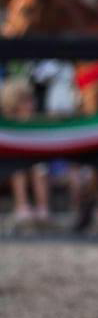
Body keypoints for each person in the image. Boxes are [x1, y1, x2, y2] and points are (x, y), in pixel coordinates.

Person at [1, 74, 50, 227]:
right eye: (26, 100)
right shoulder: (6, 123)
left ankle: (43, 209)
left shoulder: (36, 121)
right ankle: (22, 207)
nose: (31, 104)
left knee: (39, 169)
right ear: (14, 103)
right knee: (19, 170)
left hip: (33, 164)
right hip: (9, 167)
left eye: (31, 100)